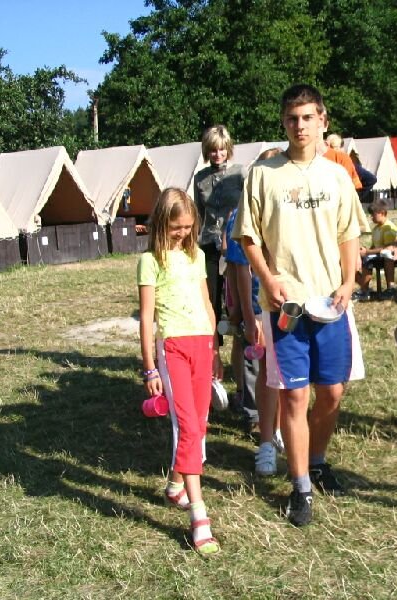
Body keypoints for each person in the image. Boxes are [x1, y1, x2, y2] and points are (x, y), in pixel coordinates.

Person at [233, 83, 361, 527]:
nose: (300, 125)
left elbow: (349, 234)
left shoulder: (337, 176)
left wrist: (349, 281)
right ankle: (301, 486)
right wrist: (268, 279)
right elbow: (247, 237)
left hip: (331, 304)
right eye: (292, 118)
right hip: (285, 308)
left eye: (308, 117)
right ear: (283, 122)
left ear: (323, 121)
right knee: (294, 397)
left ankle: (318, 460)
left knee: (333, 393)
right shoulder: (263, 175)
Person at [137, 188, 222, 555]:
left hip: (202, 344)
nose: (183, 233)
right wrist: (149, 368)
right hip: (172, 347)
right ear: (161, 223)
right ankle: (199, 516)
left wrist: (215, 348)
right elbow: (146, 318)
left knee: (199, 425)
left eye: (188, 227)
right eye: (176, 227)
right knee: (188, 427)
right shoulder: (149, 261)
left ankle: (175, 486)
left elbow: (207, 303)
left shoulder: (196, 255)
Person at [224, 205, 284, 475]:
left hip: (288, 303)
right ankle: (259, 422)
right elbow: (240, 270)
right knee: (261, 368)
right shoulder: (242, 215)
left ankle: (279, 427)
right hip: (259, 307)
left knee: (283, 371)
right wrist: (247, 315)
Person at [192, 125, 246, 327]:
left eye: (222, 149)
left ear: (228, 149)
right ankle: (214, 339)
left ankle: (243, 338)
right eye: (213, 150)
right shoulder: (200, 178)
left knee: (238, 298)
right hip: (208, 243)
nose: (218, 154)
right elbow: (198, 213)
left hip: (235, 241)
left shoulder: (240, 173)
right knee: (211, 297)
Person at [353, 199, 397, 301]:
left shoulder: (388, 228)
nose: (371, 217)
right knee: (353, 259)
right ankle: (364, 287)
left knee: (367, 260)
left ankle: (365, 291)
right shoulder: (376, 229)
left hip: (386, 257)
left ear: (382, 213)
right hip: (377, 255)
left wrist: (367, 252)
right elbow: (374, 246)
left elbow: (387, 248)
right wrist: (364, 251)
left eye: (373, 214)